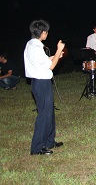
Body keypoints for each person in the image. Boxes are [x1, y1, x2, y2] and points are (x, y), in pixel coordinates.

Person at [24, 19, 65, 155]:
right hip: (41, 83)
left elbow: (44, 61)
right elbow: (51, 66)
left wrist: (55, 56)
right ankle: (37, 147)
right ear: (43, 32)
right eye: (46, 32)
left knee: (49, 113)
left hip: (41, 82)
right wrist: (59, 50)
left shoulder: (31, 44)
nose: (47, 34)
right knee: (44, 115)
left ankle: (49, 141)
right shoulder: (35, 47)